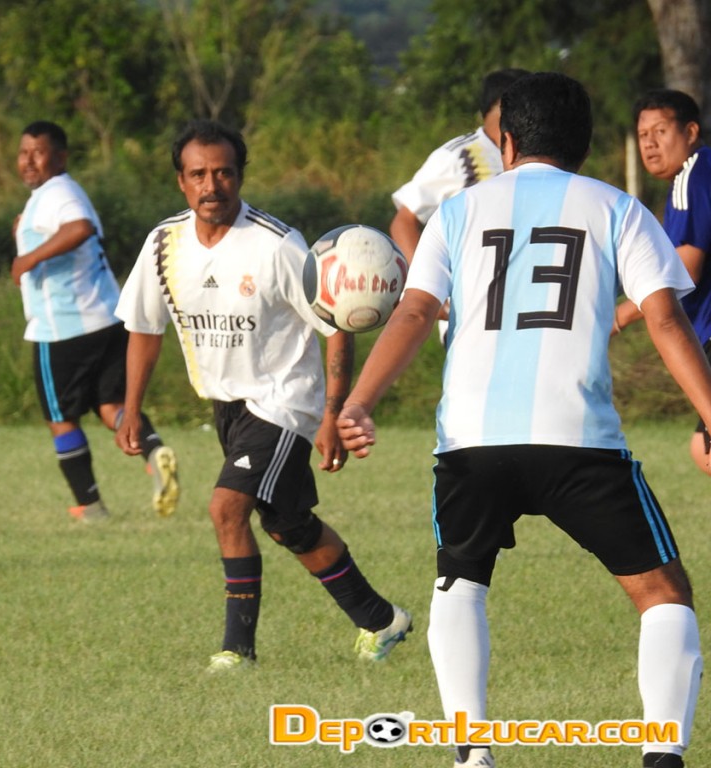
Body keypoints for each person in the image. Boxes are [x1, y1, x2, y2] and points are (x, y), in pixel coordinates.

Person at [338, 73, 709, 768]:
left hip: (472, 440)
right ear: (586, 145)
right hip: (578, 439)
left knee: (460, 582)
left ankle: (472, 752)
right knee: (663, 593)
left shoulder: (458, 211)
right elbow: (665, 318)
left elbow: (415, 311)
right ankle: (663, 756)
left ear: (505, 142)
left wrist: (358, 401)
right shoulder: (618, 207)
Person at [114, 119, 410, 673]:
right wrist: (132, 409)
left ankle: (238, 650)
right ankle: (380, 618)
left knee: (226, 509)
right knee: (288, 524)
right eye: (198, 174)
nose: (212, 186)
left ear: (240, 176)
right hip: (228, 406)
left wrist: (331, 414)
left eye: (223, 172)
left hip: (284, 401)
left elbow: (335, 327)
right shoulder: (163, 245)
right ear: (181, 181)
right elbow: (144, 328)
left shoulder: (277, 245)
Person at [11, 120, 179, 522]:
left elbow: (79, 228)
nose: (28, 160)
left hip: (62, 328)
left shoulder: (57, 191)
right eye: (23, 153)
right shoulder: (59, 194)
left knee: (61, 418)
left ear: (61, 157)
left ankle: (90, 506)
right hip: (106, 317)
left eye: (38, 152)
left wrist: (28, 258)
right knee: (111, 405)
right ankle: (154, 452)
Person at [614, 89, 711, 475]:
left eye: (660, 131)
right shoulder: (697, 175)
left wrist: (619, 316)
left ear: (690, 131)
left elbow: (685, 268)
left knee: (704, 449)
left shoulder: (692, 175)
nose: (650, 143)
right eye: (643, 135)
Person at [389, 68, 531, 263]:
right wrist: (425, 277)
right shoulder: (459, 156)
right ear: (501, 107)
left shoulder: (539, 155)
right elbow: (404, 223)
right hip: (472, 278)